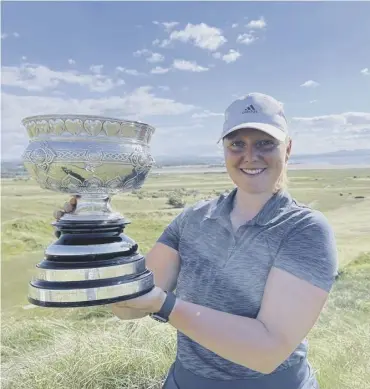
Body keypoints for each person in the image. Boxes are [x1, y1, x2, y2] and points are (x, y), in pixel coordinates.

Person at [56, 92, 338, 389]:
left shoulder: (304, 229)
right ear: (225, 151)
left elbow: (267, 351)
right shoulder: (193, 219)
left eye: (265, 142)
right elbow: (128, 307)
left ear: (288, 149)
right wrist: (95, 241)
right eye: (237, 144)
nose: (250, 155)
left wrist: (165, 306)